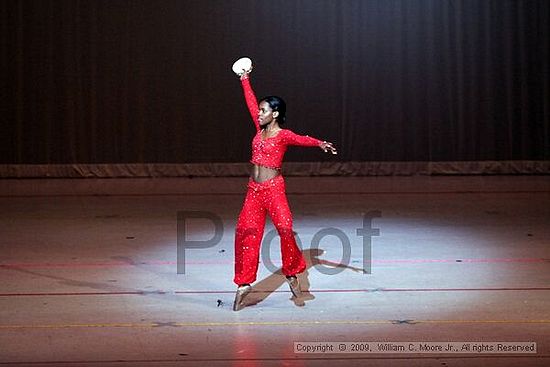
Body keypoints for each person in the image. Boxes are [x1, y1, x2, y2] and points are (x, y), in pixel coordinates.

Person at [232, 65, 337, 311]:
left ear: (275, 114)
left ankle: (292, 271)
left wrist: (320, 144)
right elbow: (249, 101)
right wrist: (244, 79)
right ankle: (244, 282)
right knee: (245, 232)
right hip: (253, 191)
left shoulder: (283, 135)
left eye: (263, 110)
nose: (258, 113)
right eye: (259, 109)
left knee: (285, 227)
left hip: (273, 188)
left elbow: (302, 139)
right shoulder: (259, 130)